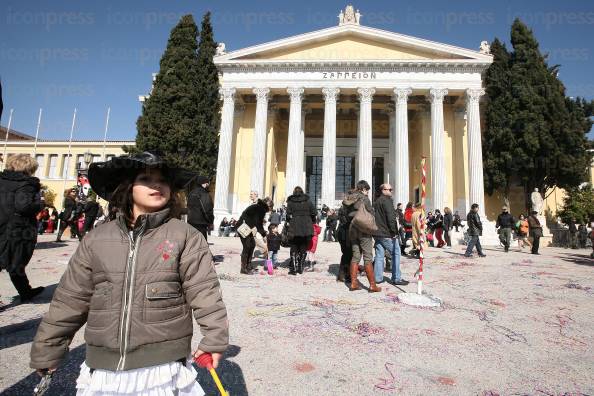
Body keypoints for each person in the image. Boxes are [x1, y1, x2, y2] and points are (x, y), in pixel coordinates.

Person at [30, 152, 228, 395]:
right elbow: (71, 298)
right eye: (146, 178)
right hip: (104, 369)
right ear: (127, 188)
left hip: (162, 365)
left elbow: (204, 291)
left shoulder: (184, 236)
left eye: (163, 181)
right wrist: (49, 348)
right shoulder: (97, 239)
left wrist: (214, 339)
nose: (157, 185)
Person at [0, 154, 45, 302]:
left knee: (13, 263)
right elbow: (23, 206)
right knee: (16, 261)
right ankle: (25, 292)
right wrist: (40, 204)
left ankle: (25, 291)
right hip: (17, 229)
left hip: (3, 225)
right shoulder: (26, 184)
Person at [343, 180, 381, 292]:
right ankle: (372, 285)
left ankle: (354, 283)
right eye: (367, 190)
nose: (368, 192)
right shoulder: (364, 199)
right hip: (364, 229)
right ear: (363, 189)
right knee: (368, 256)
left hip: (353, 228)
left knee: (355, 256)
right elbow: (371, 213)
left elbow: (345, 214)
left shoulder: (348, 198)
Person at [373, 183, 408, 286]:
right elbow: (391, 218)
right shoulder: (387, 201)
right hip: (387, 233)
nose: (391, 191)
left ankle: (377, 278)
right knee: (396, 254)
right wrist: (394, 232)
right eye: (390, 189)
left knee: (379, 255)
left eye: (391, 189)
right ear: (383, 190)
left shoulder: (377, 201)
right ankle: (396, 278)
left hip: (378, 233)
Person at [237, 197, 273, 274]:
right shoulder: (261, 209)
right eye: (271, 207)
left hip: (247, 228)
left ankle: (249, 265)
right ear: (268, 206)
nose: (270, 210)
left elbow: (256, 221)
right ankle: (243, 268)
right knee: (247, 246)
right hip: (243, 227)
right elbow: (258, 223)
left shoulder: (259, 207)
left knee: (252, 244)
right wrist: (263, 235)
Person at [286, 186, 316, 275]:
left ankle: (294, 268)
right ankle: (300, 268)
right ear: (302, 192)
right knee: (303, 245)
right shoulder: (308, 200)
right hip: (306, 225)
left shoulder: (291, 201)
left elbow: (288, 213)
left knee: (294, 245)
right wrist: (311, 219)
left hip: (294, 224)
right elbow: (314, 212)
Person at [187, 176, 214, 241]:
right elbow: (207, 210)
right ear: (204, 183)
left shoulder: (191, 193)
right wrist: (211, 221)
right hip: (201, 224)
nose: (208, 184)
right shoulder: (204, 194)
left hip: (191, 223)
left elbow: (188, 207)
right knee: (202, 245)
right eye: (208, 183)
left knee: (191, 243)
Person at [336, 199, 353, 283]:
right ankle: (346, 274)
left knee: (346, 254)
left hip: (343, 233)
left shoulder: (342, 209)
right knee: (348, 255)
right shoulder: (348, 210)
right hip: (346, 234)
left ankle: (343, 275)